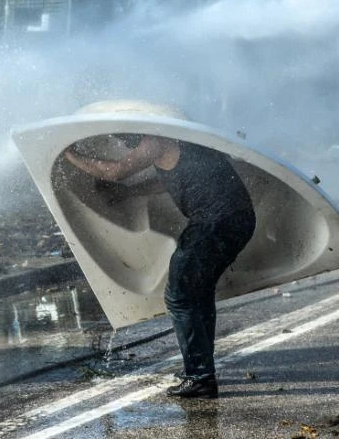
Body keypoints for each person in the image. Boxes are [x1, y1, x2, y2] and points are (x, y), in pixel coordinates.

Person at [64, 134, 255, 399]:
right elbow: (170, 180)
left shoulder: (156, 140)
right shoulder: (182, 137)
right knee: (198, 293)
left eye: (121, 136)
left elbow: (116, 171)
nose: (122, 143)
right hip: (234, 220)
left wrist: (69, 153)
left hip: (215, 224)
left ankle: (200, 377)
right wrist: (131, 192)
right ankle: (200, 368)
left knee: (180, 297)